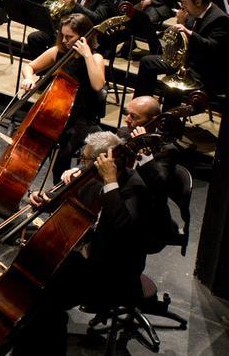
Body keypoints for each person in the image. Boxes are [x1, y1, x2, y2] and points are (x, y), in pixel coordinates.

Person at [16, 131, 171, 353]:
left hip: (113, 274)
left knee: (47, 301)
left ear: (104, 162)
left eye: (85, 159)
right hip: (87, 260)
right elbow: (76, 210)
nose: (81, 163)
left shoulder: (134, 188)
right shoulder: (92, 180)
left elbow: (121, 228)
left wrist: (109, 181)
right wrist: (46, 201)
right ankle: (26, 339)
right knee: (36, 286)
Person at [20, 13, 106, 181]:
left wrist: (87, 54)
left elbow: (97, 85)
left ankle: (57, 194)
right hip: (56, 113)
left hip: (81, 118)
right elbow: (30, 67)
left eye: (70, 37)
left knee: (62, 159)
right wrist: (29, 78)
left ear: (84, 37)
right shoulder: (58, 52)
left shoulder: (96, 57)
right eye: (62, 35)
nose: (65, 40)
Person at [134, 0, 229, 99]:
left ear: (198, 2)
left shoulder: (220, 19)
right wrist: (181, 23)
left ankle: (169, 114)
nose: (183, 7)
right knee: (147, 62)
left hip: (204, 69)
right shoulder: (194, 12)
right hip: (187, 60)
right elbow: (182, 39)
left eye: (185, 3)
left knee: (175, 82)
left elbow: (212, 47)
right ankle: (142, 106)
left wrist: (189, 32)